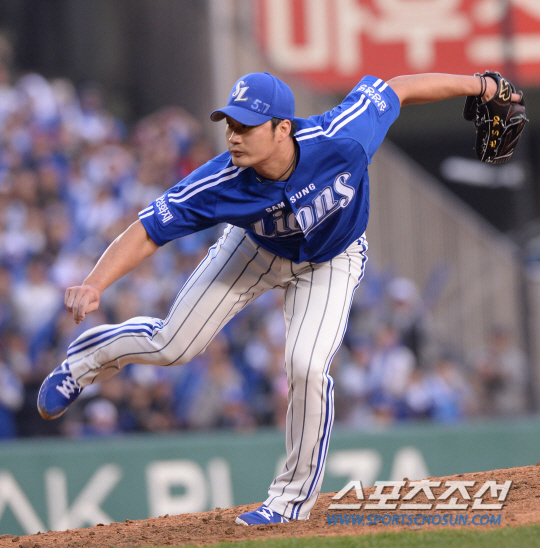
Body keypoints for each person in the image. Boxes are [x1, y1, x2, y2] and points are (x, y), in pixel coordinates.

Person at [37, 71, 522, 525]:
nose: (234, 136)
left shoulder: (343, 136)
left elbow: (399, 89)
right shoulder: (222, 179)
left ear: (282, 128)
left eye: (247, 126)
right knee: (173, 345)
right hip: (255, 250)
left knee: (308, 366)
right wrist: (96, 283)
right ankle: (85, 361)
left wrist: (480, 85)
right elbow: (149, 229)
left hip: (333, 257)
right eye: (230, 124)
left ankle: (289, 503)